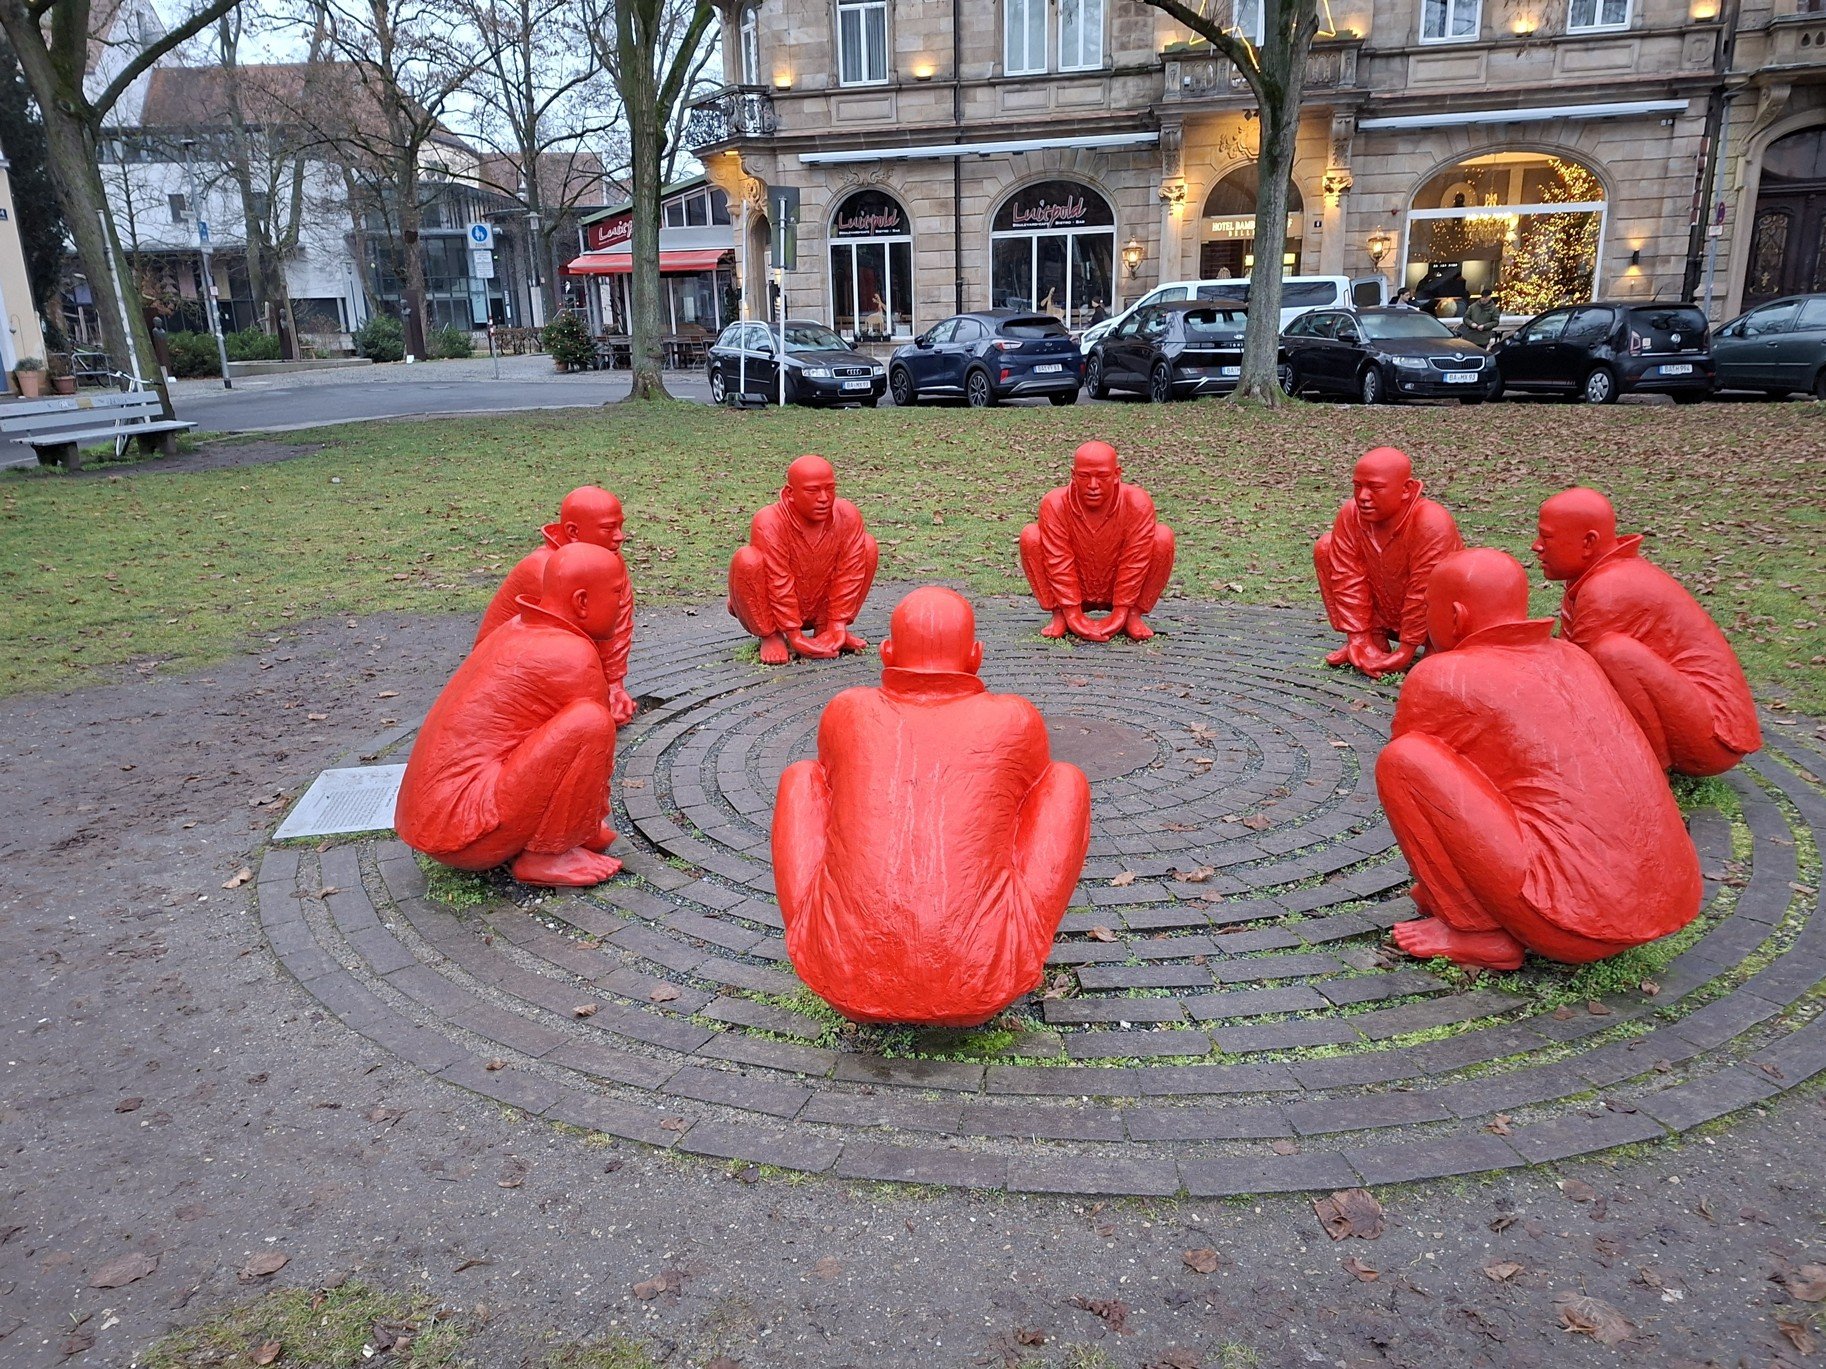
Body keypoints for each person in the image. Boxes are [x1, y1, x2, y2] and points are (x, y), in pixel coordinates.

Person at [773, 587, 1092, 1025]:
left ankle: (819, 938)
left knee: (802, 777)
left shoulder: (847, 710)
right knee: (1065, 781)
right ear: (975, 656)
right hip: (980, 983)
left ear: (887, 653)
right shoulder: (1016, 718)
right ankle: (1018, 944)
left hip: (844, 977)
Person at [1378, 548, 1702, 970]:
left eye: (1428, 610)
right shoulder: (1574, 658)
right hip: (1659, 901)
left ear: (1456, 616)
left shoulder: (1445, 675)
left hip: (1567, 920)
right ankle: (1475, 900)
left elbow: (1427, 801)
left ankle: (1477, 933)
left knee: (1405, 761)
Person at [396, 543, 629, 888]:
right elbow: (592, 757)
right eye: (615, 595)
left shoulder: (518, 626)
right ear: (581, 602)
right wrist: (587, 825)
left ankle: (559, 840)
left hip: (433, 817)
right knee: (591, 721)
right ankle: (549, 855)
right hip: (467, 829)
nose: (622, 606)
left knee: (579, 724)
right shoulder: (571, 655)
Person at [1534, 487, 1761, 776]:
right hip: (1696, 716)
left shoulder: (1609, 589)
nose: (1537, 546)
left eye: (1547, 536)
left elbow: (1581, 685)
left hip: (1714, 737)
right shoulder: (1593, 578)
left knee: (1612, 654)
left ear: (1588, 542)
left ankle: (1647, 772)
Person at [477, 486, 636, 725]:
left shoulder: (607, 558)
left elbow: (617, 621)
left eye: (620, 526)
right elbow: (565, 648)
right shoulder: (546, 570)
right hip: (506, 681)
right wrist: (596, 696)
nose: (619, 536)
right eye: (608, 528)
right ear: (573, 532)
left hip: (556, 666)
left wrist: (615, 685)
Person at [1313, 446, 1464, 678]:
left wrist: (1406, 651)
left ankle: (1435, 650)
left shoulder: (1431, 521)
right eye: (1357, 487)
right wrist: (1359, 637)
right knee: (1325, 548)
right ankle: (1373, 641)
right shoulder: (1351, 515)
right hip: (1386, 614)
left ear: (1407, 489)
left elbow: (1424, 590)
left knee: (1443, 580)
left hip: (1431, 624)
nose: (1363, 497)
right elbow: (1347, 576)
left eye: (1375, 488)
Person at [727, 454, 879, 665]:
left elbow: (850, 573)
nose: (824, 498)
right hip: (777, 607)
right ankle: (770, 635)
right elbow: (777, 579)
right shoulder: (769, 520)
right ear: (790, 493)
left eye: (830, 489)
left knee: (867, 547)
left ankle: (826, 628)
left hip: (820, 604)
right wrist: (794, 635)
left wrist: (837, 622)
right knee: (747, 560)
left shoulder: (848, 515)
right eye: (812, 491)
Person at [1019, 439, 1176, 643]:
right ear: (1073, 475)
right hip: (1076, 585)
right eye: (1084, 476)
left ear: (1117, 474)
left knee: (1163, 538)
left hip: (1116, 584)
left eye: (1102, 476)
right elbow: (1058, 559)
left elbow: (1135, 560)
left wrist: (1121, 611)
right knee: (1031, 537)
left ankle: (1133, 615)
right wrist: (1072, 612)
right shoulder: (1055, 503)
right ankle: (1059, 613)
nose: (1093, 486)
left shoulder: (1137, 502)